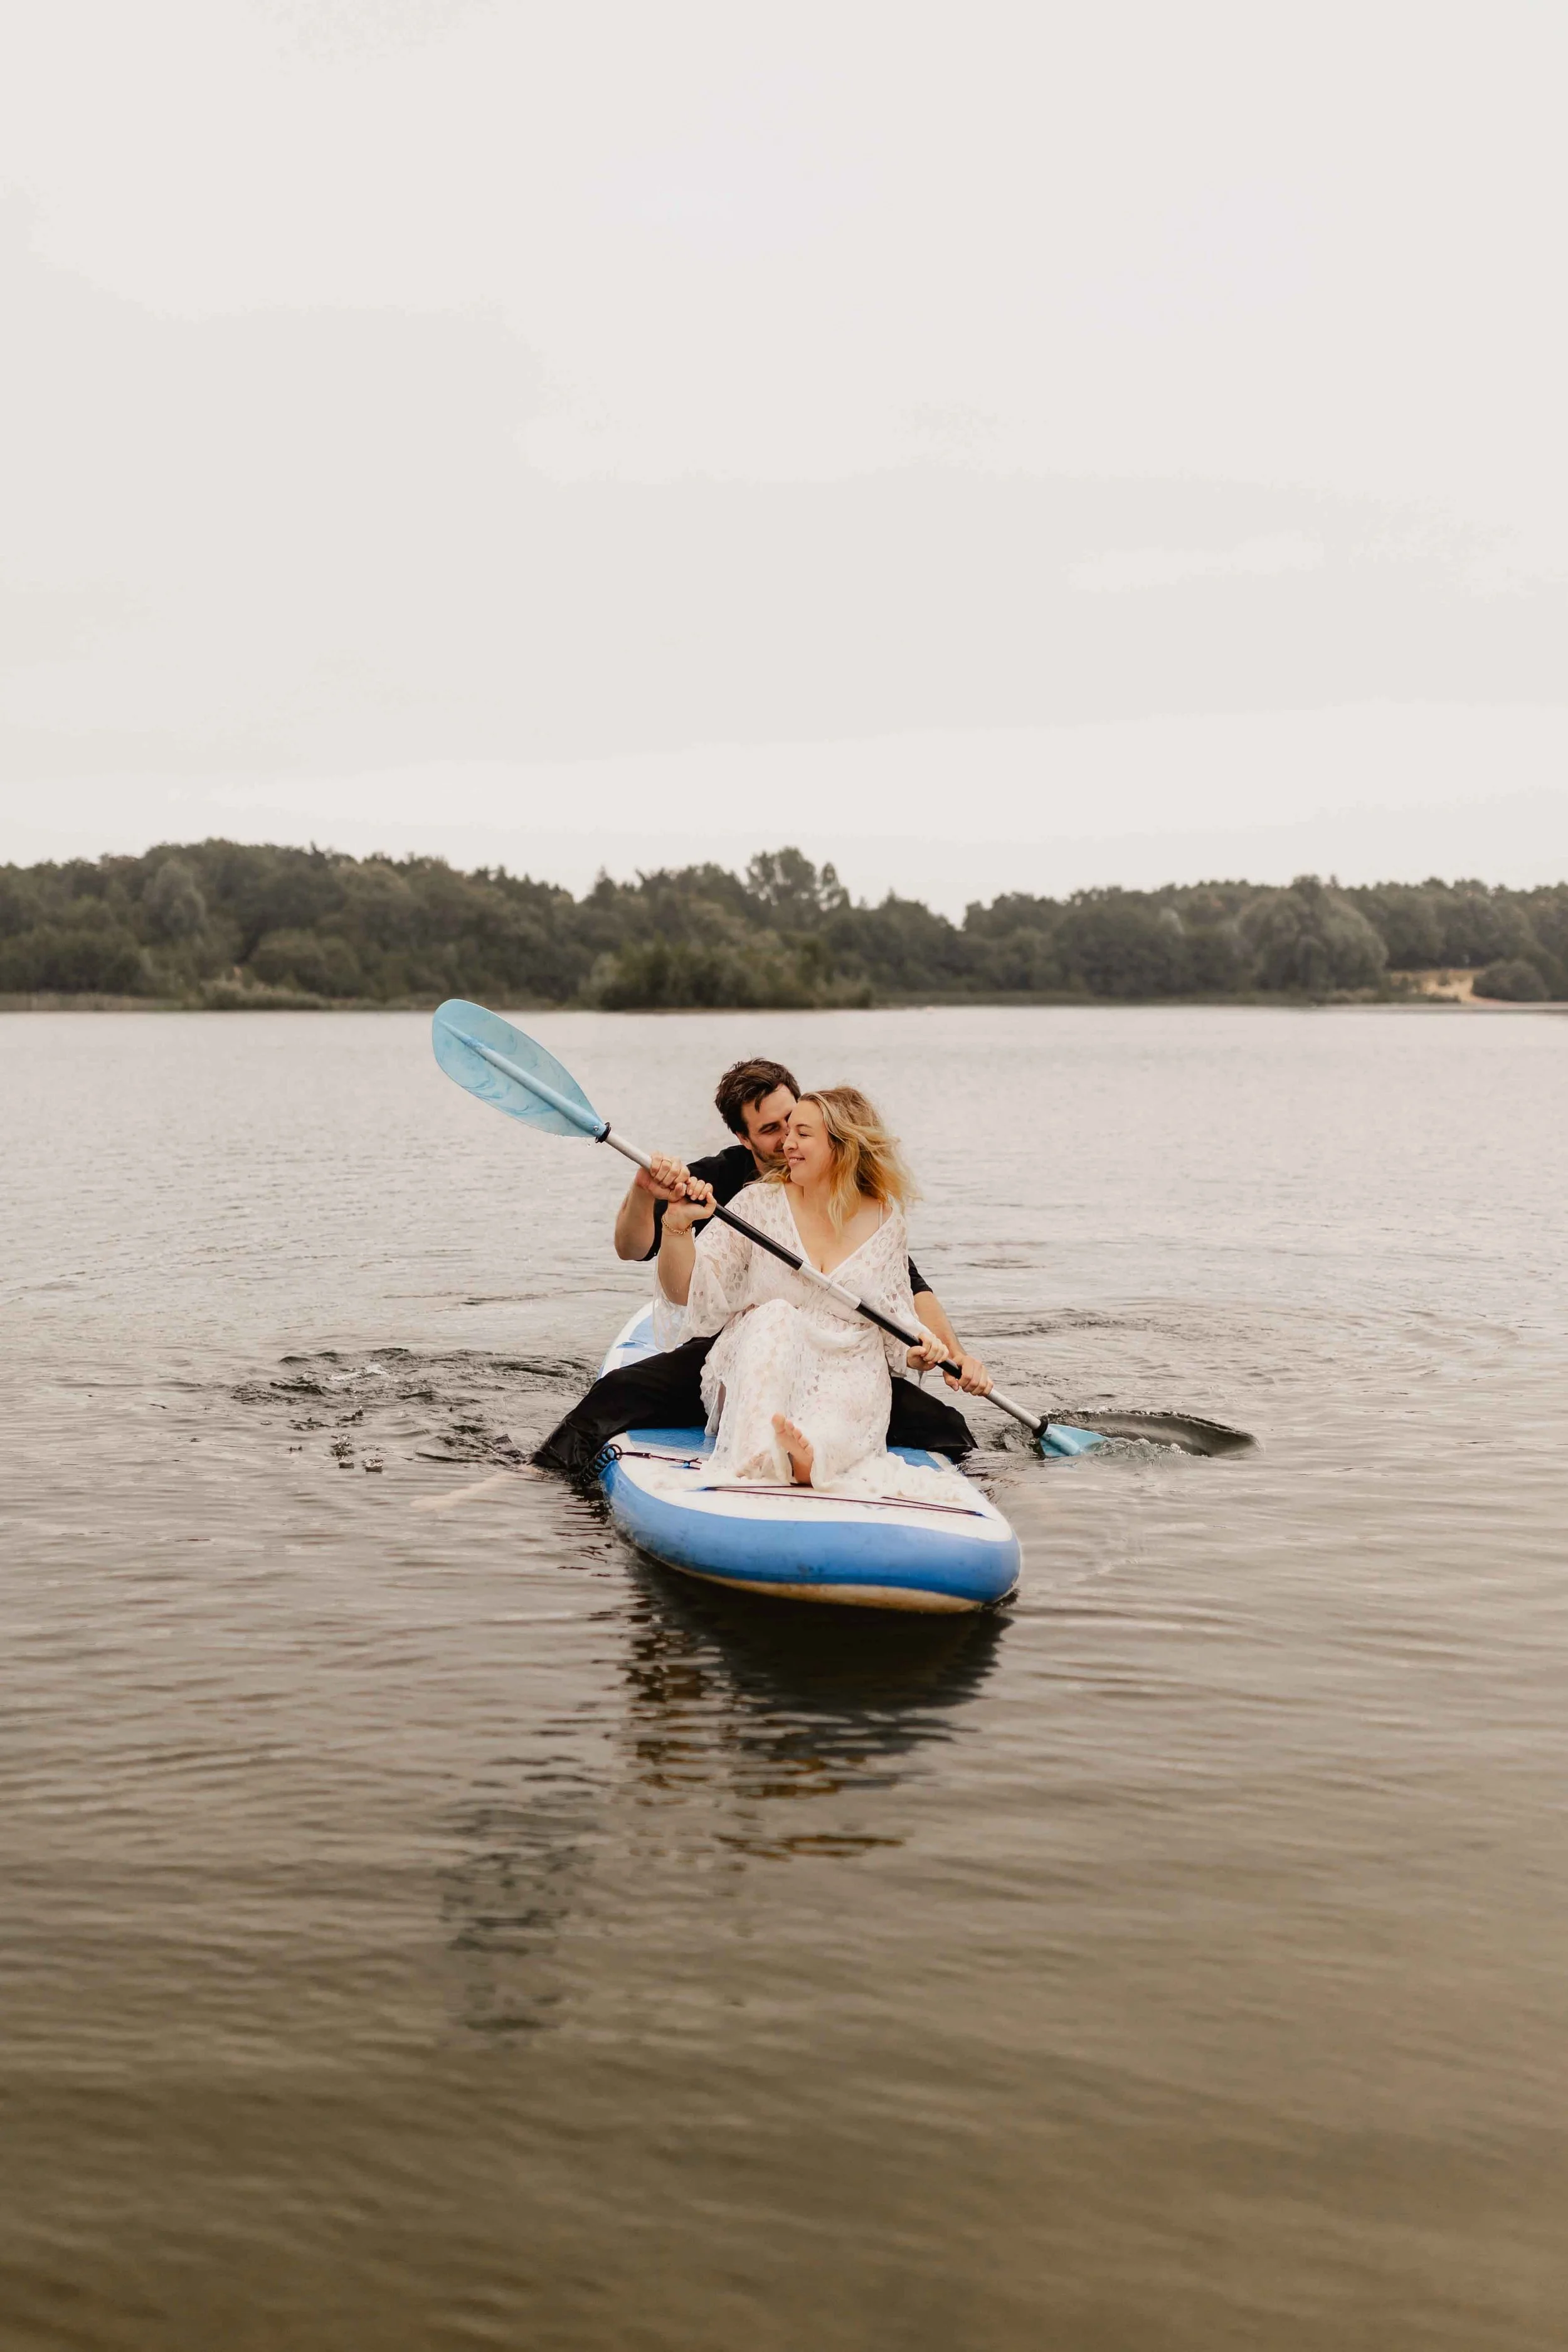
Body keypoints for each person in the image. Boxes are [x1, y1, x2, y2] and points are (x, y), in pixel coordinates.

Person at [534, 1057, 990, 1476]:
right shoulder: (727, 1182)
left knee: (947, 1427)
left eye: (796, 1125)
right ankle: (540, 1475)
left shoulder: (875, 1215)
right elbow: (638, 1253)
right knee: (617, 1393)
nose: (787, 1140)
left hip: (840, 1360)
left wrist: (953, 1356)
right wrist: (649, 1196)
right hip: (750, 1343)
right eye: (773, 1130)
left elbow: (904, 1293)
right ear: (743, 1137)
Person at [654, 1085, 957, 1493]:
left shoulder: (887, 1221)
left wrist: (925, 1351)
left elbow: (896, 1324)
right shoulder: (758, 1203)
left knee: (852, 1381)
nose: (787, 1144)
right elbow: (686, 1292)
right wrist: (677, 1227)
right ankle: (760, 1450)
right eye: (787, 1132)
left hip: (848, 1359)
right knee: (776, 1316)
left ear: (841, 1145)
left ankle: (810, 1456)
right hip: (769, 1350)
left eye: (802, 1133)